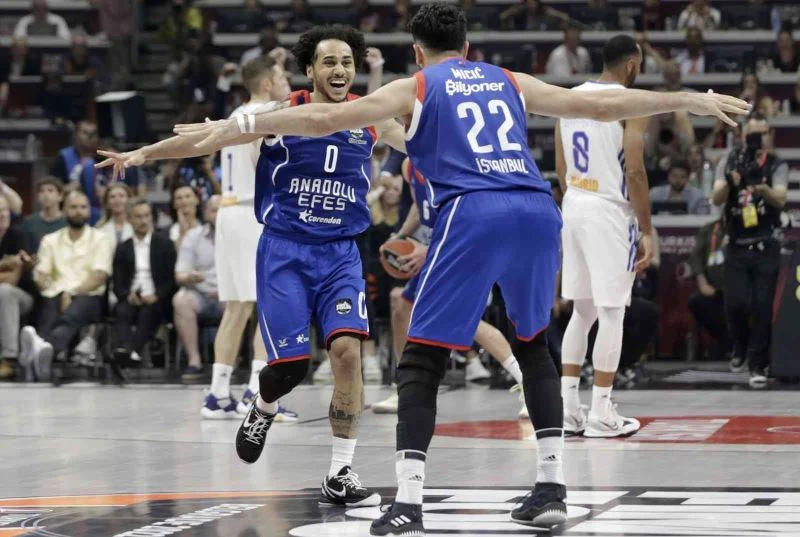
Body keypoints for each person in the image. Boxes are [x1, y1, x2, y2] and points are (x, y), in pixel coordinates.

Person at [171, 5, 748, 533]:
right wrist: (690, 99)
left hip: (472, 212)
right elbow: (600, 103)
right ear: (469, 47)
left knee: (421, 357)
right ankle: (550, 487)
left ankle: (408, 503)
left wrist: (222, 132)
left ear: (418, 51)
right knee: (534, 346)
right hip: (537, 208)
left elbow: (325, 121)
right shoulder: (509, 80)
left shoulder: (415, 84)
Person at [96, 25, 408, 508]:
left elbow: (423, 147)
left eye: (346, 61)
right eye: (329, 61)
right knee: (289, 366)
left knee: (346, 353)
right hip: (285, 250)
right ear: (310, 70)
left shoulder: (371, 117)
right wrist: (143, 154)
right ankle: (262, 406)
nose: (340, 70)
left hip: (341, 252)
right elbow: (209, 139)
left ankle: (340, 469)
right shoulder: (279, 114)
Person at [372, 157, 527, 417]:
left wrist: (427, 250)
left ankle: (527, 381)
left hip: (466, 242)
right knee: (401, 305)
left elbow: (467, 214)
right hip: (440, 246)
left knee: (464, 317)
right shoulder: (410, 165)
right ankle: (404, 386)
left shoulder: (451, 160)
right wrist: (400, 235)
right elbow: (418, 211)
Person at [555, 35, 652, 439]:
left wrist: (577, 199)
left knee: (583, 310)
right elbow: (635, 171)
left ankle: (568, 409)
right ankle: (601, 412)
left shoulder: (568, 97)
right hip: (609, 209)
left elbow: (560, 168)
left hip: (574, 203)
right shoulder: (632, 101)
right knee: (613, 311)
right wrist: (646, 228)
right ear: (631, 64)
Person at [711, 112, 787, 387]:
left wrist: (761, 187)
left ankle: (758, 364)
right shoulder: (729, 161)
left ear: (769, 135)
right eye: (751, 133)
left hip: (766, 243)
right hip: (736, 244)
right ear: (742, 136)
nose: (756, 139)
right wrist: (732, 181)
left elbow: (780, 198)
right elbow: (716, 197)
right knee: (736, 303)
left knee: (763, 306)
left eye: (761, 133)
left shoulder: (776, 164)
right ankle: (740, 346)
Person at [111, 199, 176, 366]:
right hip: (132, 296)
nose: (143, 220)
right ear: (130, 220)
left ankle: (131, 352)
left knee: (149, 312)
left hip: (157, 298)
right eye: (138, 216)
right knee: (122, 310)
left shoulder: (165, 245)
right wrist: (128, 295)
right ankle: (130, 351)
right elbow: (117, 282)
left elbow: (171, 280)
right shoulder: (122, 248)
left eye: (146, 216)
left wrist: (157, 295)